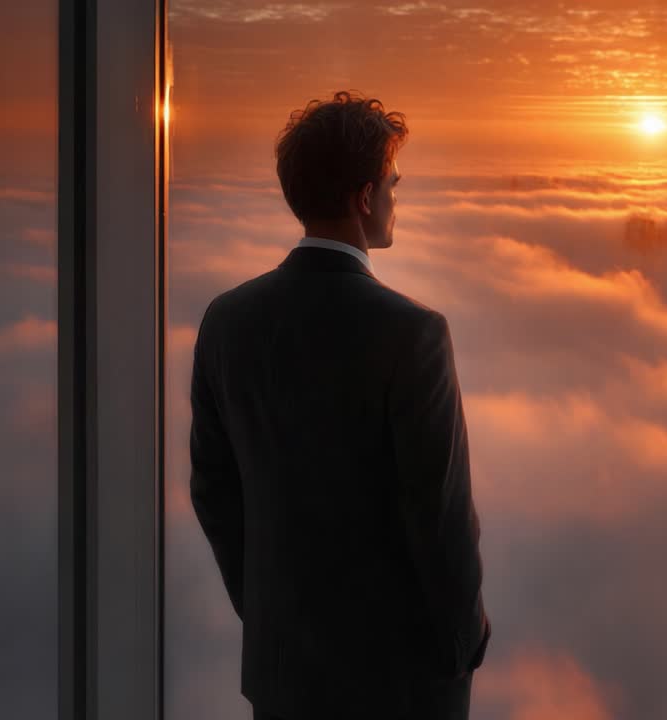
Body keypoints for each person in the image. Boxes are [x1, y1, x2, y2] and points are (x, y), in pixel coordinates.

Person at [189, 90, 490, 720]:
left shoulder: (227, 320)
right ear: (364, 198)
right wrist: (465, 645)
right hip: (398, 685)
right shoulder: (413, 333)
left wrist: (272, 612)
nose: (395, 203)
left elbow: (214, 492)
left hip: (284, 677)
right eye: (393, 187)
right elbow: (439, 517)